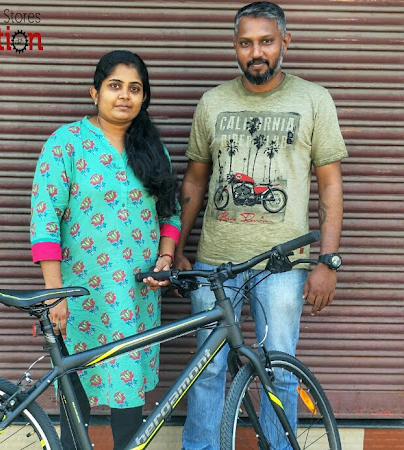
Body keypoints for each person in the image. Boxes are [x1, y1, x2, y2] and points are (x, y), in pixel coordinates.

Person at [176, 2, 348, 449]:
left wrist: (328, 260)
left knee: (279, 370)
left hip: (283, 266)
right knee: (207, 370)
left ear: (285, 42)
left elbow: (330, 185)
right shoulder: (212, 102)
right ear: (234, 46)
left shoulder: (314, 100)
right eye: (246, 42)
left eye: (266, 41)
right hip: (215, 264)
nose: (256, 52)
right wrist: (175, 247)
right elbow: (195, 179)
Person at [30, 50, 181, 449]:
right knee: (74, 401)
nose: (125, 96)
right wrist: (55, 294)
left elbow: (171, 212)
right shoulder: (65, 144)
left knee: (128, 405)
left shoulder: (153, 149)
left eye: (135, 88)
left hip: (135, 297)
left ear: (144, 97)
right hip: (79, 298)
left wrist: (166, 258)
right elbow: (45, 221)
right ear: (94, 92)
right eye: (115, 86)